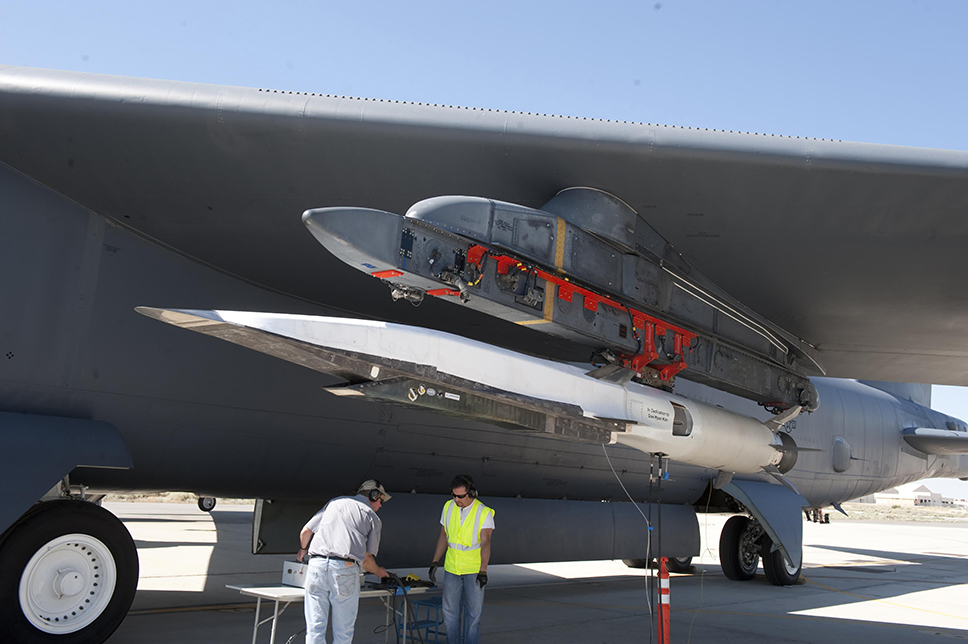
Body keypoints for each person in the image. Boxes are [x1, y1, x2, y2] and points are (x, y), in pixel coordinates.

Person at [297, 479, 391, 644]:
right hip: (344, 569)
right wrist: (379, 571)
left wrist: (303, 550)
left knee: (314, 630)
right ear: (374, 495)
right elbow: (367, 560)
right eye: (381, 501)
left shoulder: (335, 502)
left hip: (316, 566)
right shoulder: (372, 517)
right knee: (343, 633)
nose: (381, 506)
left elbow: (305, 532)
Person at [428, 475, 495, 644]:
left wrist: (483, 570)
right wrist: (435, 562)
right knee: (450, 612)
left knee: (474, 614)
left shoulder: (483, 512)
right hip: (452, 568)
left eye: (461, 496)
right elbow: (444, 536)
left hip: (473, 570)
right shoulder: (448, 507)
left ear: (471, 493)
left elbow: (486, 542)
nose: (456, 499)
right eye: (454, 495)